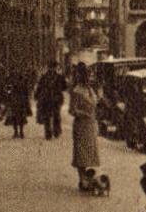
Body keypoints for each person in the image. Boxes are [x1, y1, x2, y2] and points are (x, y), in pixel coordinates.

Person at [68, 62, 100, 190]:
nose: (89, 78)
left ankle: (86, 178)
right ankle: (82, 180)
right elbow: (72, 110)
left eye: (89, 75)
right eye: (86, 76)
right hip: (81, 125)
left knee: (90, 153)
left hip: (91, 125)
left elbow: (95, 103)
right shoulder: (77, 91)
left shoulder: (90, 90)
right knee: (81, 153)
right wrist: (84, 113)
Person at [35, 62, 65, 139]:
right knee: (56, 115)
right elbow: (64, 87)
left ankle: (48, 133)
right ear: (55, 67)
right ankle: (56, 131)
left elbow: (39, 87)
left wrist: (37, 95)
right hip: (56, 99)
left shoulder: (44, 77)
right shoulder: (59, 77)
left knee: (47, 116)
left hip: (47, 99)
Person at [7, 71, 31, 139]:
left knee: (14, 117)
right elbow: (26, 94)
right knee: (21, 118)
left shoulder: (12, 84)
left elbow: (9, 93)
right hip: (21, 103)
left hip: (14, 103)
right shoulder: (23, 84)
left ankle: (16, 132)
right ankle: (21, 132)